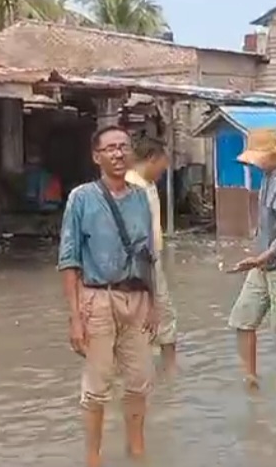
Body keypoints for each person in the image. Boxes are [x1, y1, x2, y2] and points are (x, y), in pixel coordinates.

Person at [59, 126, 157, 467]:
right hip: (97, 299)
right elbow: (69, 260)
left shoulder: (141, 197)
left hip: (137, 298)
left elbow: (149, 256)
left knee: (139, 382)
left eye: (124, 147)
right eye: (110, 148)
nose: (118, 154)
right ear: (96, 156)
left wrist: (155, 304)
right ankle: (93, 458)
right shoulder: (81, 198)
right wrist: (75, 318)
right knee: (96, 388)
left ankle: (138, 452)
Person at [225, 128, 276, 388]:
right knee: (243, 318)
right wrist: (258, 256)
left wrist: (263, 256)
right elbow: (268, 227)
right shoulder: (269, 178)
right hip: (263, 264)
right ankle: (250, 379)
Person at [125, 137, 178, 373]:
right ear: (152, 159)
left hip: (151, 259)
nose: (163, 172)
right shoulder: (130, 187)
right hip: (139, 263)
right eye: (162, 166)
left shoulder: (148, 185)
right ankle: (160, 371)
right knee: (152, 314)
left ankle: (168, 371)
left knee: (162, 314)